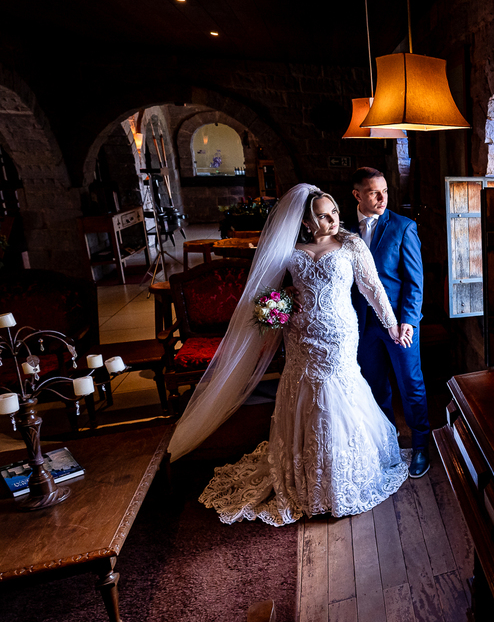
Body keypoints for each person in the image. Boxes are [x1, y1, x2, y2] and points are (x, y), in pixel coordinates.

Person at [167, 184, 409, 526]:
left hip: (339, 335)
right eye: (323, 217)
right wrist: (281, 303)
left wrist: (393, 325)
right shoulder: (288, 248)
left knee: (337, 395)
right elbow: (264, 301)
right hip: (298, 337)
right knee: (304, 395)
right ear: (306, 222)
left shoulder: (351, 244)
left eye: (335, 213)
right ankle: (304, 477)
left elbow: (373, 289)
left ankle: (341, 479)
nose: (332, 221)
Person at [350, 167, 431, 479]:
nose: (383, 198)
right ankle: (386, 444)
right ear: (357, 195)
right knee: (374, 386)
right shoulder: (342, 230)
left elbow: (415, 281)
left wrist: (409, 321)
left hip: (399, 324)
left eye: (384, 190)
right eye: (374, 192)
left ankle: (421, 445)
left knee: (411, 383)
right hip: (361, 324)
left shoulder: (403, 227)